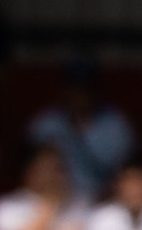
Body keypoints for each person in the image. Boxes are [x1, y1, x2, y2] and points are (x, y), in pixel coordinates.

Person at [27, 63, 132, 204]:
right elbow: (31, 169)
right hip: (52, 201)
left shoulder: (115, 126)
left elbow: (127, 171)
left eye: (84, 89)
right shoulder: (46, 124)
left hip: (103, 202)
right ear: (64, 90)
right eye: (74, 89)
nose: (79, 96)